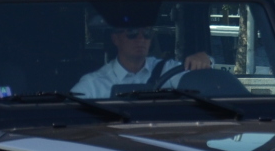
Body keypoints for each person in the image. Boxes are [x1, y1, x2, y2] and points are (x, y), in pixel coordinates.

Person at [71, 25, 211, 99]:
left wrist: (203, 59)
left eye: (147, 33)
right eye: (132, 32)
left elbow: (199, 80)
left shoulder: (166, 70)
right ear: (115, 39)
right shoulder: (92, 85)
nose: (141, 38)